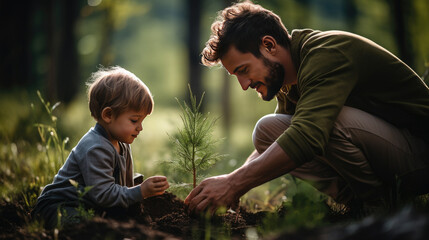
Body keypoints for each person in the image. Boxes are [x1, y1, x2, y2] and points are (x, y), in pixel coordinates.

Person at [185, 1, 429, 214]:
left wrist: (234, 183)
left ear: (269, 45)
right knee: (269, 131)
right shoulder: (290, 79)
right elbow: (278, 139)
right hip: (395, 154)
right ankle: (357, 205)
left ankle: (379, 207)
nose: (244, 85)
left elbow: (308, 135)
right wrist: (231, 184)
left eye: (243, 70)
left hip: (420, 153)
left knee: (322, 123)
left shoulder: (326, 54)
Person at [32, 66, 169, 228]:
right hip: (60, 206)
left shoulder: (122, 144)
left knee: (110, 221)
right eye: (134, 120)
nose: (140, 128)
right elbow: (103, 195)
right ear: (108, 115)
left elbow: (122, 186)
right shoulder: (95, 147)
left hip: (91, 204)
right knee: (85, 227)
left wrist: (138, 193)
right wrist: (140, 191)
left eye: (141, 121)